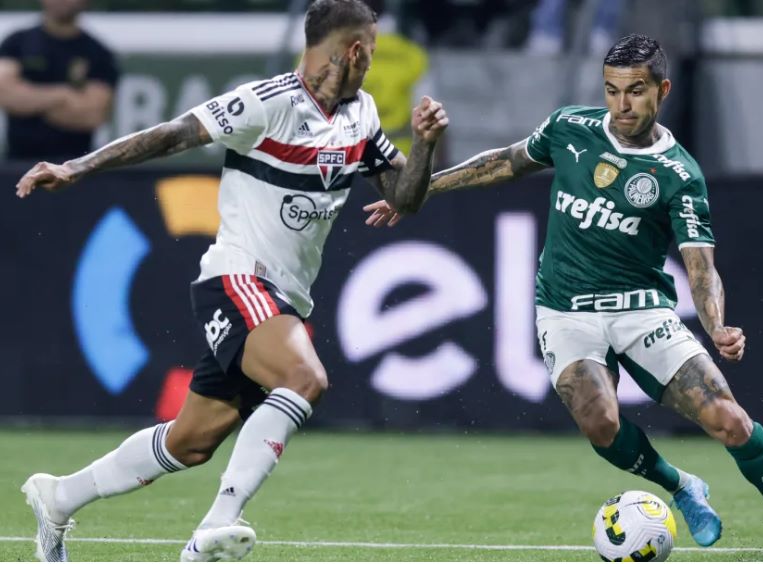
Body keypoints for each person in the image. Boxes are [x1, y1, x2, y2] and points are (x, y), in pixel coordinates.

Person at [15, 0, 447, 561]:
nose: (372, 62)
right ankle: (216, 526)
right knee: (305, 375)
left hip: (284, 295)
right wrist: (76, 166)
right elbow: (172, 134)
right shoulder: (265, 103)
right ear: (356, 50)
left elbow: (402, 199)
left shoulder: (361, 114)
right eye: (372, 50)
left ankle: (58, 497)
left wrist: (426, 145)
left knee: (191, 441)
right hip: (238, 278)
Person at [364, 34, 763, 562]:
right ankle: (681, 486)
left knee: (730, 421)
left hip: (642, 309)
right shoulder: (569, 128)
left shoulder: (679, 174)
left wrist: (715, 324)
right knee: (600, 421)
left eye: (635, 91)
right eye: (612, 90)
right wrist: (418, 191)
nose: (622, 104)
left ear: (661, 91)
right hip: (566, 310)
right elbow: (501, 163)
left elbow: (702, 269)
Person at [0, 0, 119, 161]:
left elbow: (93, 115)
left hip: (75, 168)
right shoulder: (17, 43)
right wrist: (64, 95)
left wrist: (30, 101)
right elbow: (6, 96)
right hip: (18, 164)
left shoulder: (98, 53)